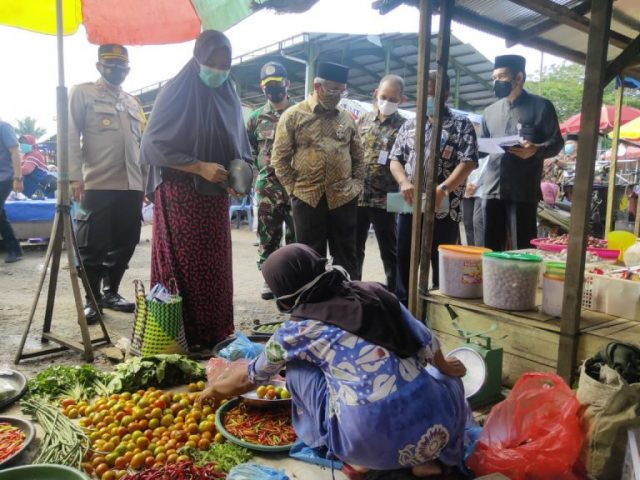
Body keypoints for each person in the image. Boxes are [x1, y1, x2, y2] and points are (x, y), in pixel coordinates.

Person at [200, 243, 470, 477]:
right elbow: (425, 339)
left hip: (369, 444)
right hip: (437, 428)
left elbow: (251, 376)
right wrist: (447, 368)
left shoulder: (296, 332)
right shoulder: (374, 291)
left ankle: (358, 461)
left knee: (296, 368)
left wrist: (213, 389)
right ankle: (426, 462)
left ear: (283, 293)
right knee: (443, 378)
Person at [140, 31, 253, 351]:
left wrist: (237, 177)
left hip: (214, 195)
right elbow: (152, 144)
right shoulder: (175, 92)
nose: (218, 70)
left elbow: (237, 144)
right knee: (185, 265)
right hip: (181, 194)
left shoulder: (229, 94)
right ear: (196, 59)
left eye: (225, 64)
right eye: (212, 63)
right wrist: (199, 166)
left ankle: (214, 332)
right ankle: (179, 336)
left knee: (214, 264)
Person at [69, 44, 146, 324]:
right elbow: (70, 133)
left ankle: (111, 291)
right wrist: (74, 175)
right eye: (110, 65)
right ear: (99, 66)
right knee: (93, 244)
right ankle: (93, 300)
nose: (117, 70)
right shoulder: (83, 93)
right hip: (98, 181)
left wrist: (145, 183)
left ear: (128, 70)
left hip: (132, 184)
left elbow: (141, 144)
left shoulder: (133, 102)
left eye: (122, 67)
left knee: (127, 240)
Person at [390, 71, 478, 304]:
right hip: (409, 206)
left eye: (432, 93)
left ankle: (439, 313)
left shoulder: (461, 124)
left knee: (442, 265)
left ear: (445, 94)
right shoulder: (410, 124)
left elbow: (468, 162)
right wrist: (404, 182)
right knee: (406, 261)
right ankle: (405, 310)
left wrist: (444, 189)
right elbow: (395, 159)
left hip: (445, 208)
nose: (426, 98)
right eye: (423, 93)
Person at [271, 61, 364, 279]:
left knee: (346, 256)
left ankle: (348, 303)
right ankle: (313, 305)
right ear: (317, 86)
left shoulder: (346, 119)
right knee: (310, 257)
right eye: (332, 89)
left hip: (343, 198)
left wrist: (356, 186)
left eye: (342, 90)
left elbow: (359, 157)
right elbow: (280, 158)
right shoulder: (294, 116)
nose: (337, 95)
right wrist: (293, 189)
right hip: (307, 198)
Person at [481, 55, 564, 251]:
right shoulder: (489, 112)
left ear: (518, 78)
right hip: (492, 188)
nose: (496, 82)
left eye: (501, 76)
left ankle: (524, 282)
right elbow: (482, 147)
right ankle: (493, 282)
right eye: (494, 77)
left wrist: (535, 150)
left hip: (523, 189)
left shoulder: (541, 106)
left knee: (523, 247)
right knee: (490, 247)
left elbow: (556, 142)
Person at [247, 61, 296, 300]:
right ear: (262, 87)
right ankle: (269, 279)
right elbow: (248, 152)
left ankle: (297, 281)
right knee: (267, 235)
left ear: (288, 84)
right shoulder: (256, 117)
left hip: (297, 186)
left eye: (277, 84)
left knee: (297, 236)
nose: (273, 89)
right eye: (268, 85)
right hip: (268, 187)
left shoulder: (300, 113)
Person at [354, 75, 407, 292]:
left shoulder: (406, 126)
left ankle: (394, 294)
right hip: (358, 196)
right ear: (376, 93)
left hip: (387, 199)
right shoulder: (363, 121)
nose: (387, 102)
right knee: (355, 248)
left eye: (393, 99)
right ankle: (354, 290)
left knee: (389, 250)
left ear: (401, 100)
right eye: (383, 97)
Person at [0, 120, 23, 263]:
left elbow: (15, 151)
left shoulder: (3, 127)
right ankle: (14, 249)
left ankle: (14, 249)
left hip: (4, 177)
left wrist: (18, 177)